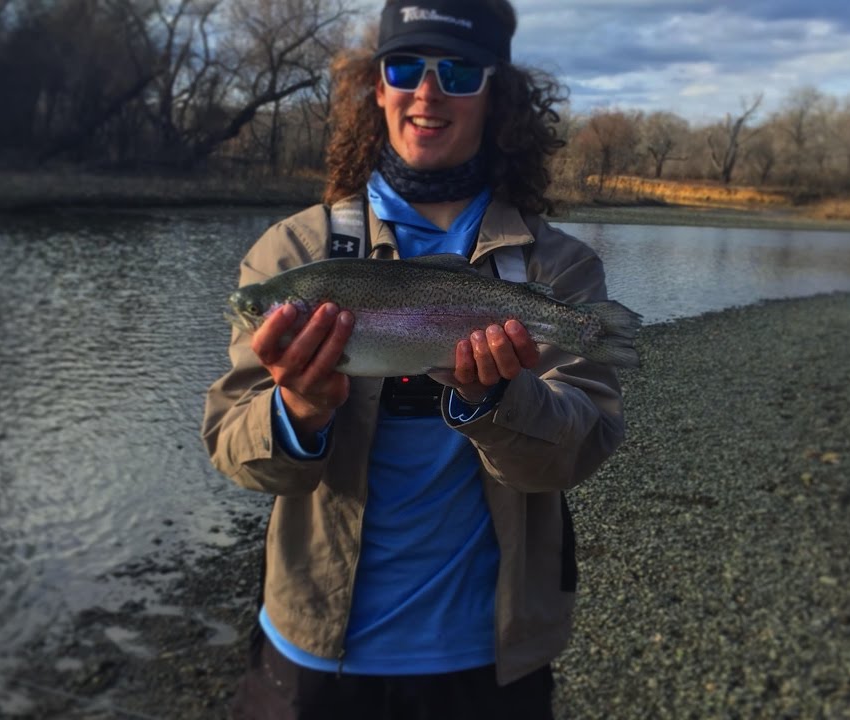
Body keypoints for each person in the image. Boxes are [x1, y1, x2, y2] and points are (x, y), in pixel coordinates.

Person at [202, 1, 626, 716]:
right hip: (312, 653)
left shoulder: (559, 269)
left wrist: (499, 401)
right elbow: (235, 452)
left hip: (487, 659)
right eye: (407, 68)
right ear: (378, 86)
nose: (427, 93)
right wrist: (298, 409)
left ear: (496, 95)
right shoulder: (293, 253)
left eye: (458, 72)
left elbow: (574, 455)